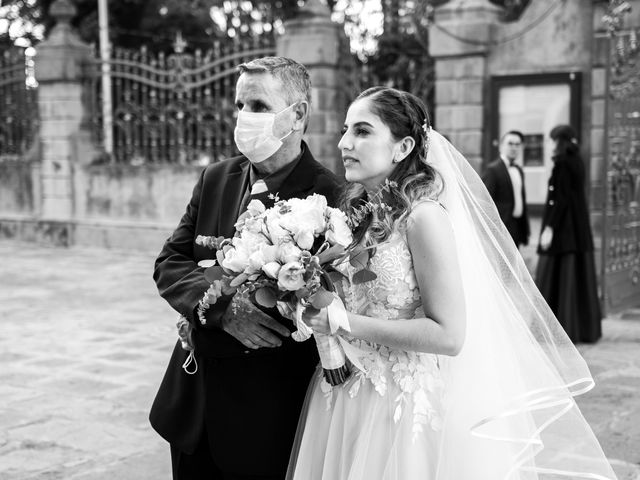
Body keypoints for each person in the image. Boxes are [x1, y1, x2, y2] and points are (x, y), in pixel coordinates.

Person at [286, 87, 618, 479]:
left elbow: (449, 335)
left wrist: (344, 323)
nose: (344, 143)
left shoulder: (424, 219)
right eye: (345, 130)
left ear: (403, 146)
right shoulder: (355, 218)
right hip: (345, 395)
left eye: (362, 131)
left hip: (401, 403)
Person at [149, 56, 342, 480]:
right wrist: (218, 309)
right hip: (191, 406)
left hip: (264, 421)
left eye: (257, 106)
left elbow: (304, 310)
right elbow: (170, 262)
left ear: (298, 115)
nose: (243, 117)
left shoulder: (330, 199)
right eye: (239, 106)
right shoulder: (215, 177)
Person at [536, 125, 602, 343]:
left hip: (564, 229)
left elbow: (560, 200)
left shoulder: (562, 163)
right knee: (575, 278)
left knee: (559, 276)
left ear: (559, 141)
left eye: (552, 139)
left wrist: (549, 228)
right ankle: (580, 328)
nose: (550, 144)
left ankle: (558, 330)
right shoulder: (578, 161)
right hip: (578, 229)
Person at [482, 130, 530, 248]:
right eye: (510, 143)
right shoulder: (492, 170)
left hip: (517, 227)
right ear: (501, 146)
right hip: (501, 228)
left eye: (517, 144)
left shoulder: (518, 170)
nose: (514, 147)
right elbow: (485, 201)